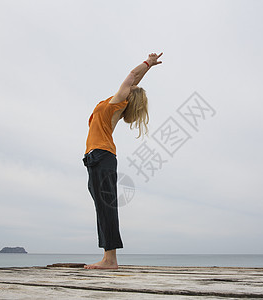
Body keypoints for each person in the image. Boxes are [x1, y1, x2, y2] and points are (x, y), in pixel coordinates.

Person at [83, 52, 163, 269]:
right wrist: (148, 68)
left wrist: (147, 63)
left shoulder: (117, 102)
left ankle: (111, 260)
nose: (132, 85)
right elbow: (134, 80)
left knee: (107, 208)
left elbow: (131, 76)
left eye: (132, 87)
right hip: (95, 158)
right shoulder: (114, 103)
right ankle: (108, 258)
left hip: (103, 156)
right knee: (102, 207)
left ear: (130, 95)